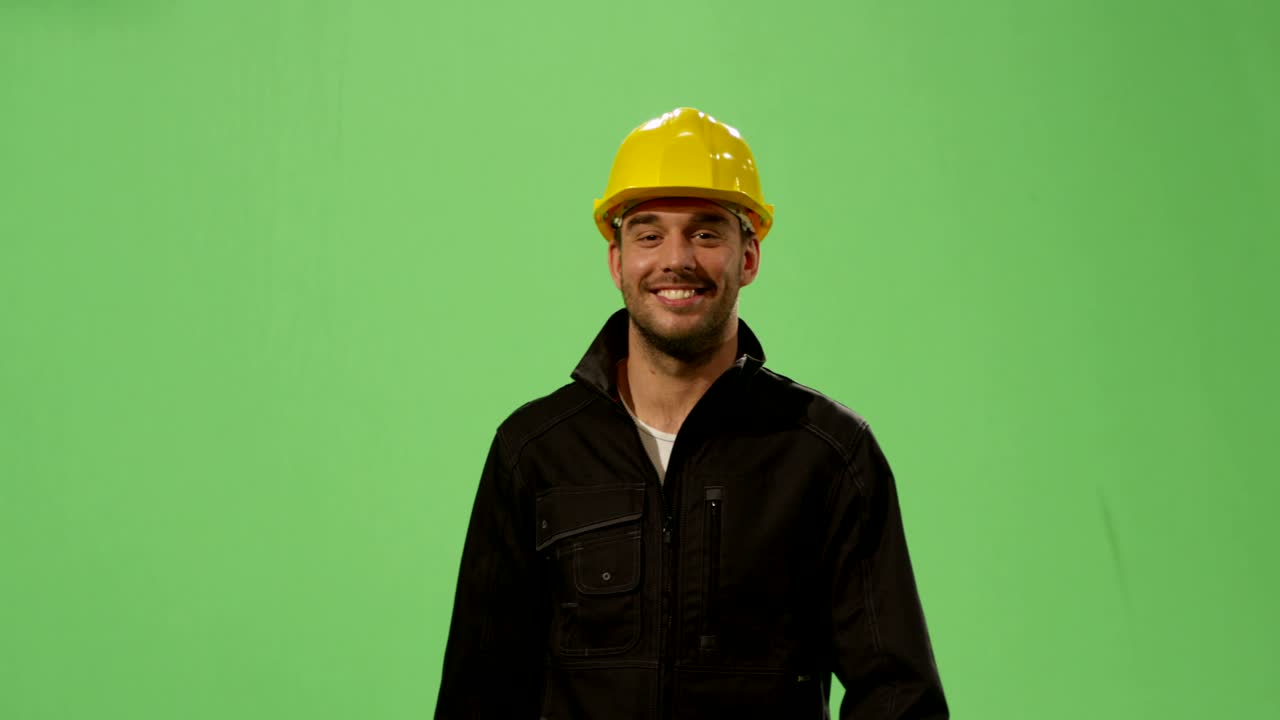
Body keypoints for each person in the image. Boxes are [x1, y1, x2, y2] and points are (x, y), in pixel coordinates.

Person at [435, 107, 947, 719]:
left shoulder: (827, 455)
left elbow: (898, 695)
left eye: (706, 233)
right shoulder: (535, 451)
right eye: (649, 234)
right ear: (617, 261)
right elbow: (479, 694)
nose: (675, 259)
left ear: (748, 257)